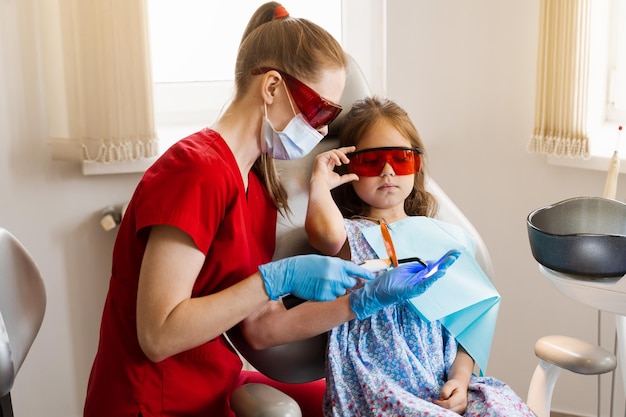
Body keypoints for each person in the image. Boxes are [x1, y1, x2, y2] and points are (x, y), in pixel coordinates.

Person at [83, 4, 456, 417]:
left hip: (212, 383)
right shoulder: (195, 172)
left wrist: (363, 301)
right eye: (319, 112)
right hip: (153, 401)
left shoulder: (257, 187)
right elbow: (157, 335)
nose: (320, 132)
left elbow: (262, 330)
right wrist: (279, 278)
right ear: (272, 87)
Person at [305, 96, 536, 416]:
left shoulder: (444, 238)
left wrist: (460, 378)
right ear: (351, 167)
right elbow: (323, 234)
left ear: (417, 164)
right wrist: (319, 180)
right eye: (372, 161)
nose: (387, 171)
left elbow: (471, 317)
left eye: (400, 159)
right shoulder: (352, 234)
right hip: (377, 382)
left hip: (442, 380)